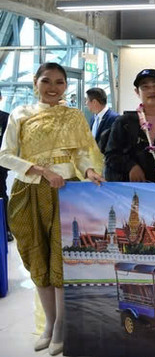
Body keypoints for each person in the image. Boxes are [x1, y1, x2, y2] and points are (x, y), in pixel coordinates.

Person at [0, 62, 105, 355]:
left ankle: (61, 326)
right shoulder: (20, 114)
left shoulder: (73, 116)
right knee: (37, 257)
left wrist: (89, 172)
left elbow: (82, 154)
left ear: (66, 87)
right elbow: (5, 156)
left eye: (60, 82)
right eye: (47, 80)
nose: (53, 87)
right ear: (35, 82)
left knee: (61, 259)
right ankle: (49, 323)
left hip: (66, 192)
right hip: (28, 191)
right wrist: (40, 170)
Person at [104, 69, 155, 183]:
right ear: (137, 92)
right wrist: (131, 166)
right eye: (145, 87)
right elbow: (111, 155)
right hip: (134, 191)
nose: (151, 90)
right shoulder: (124, 122)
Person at [85, 87, 118, 153]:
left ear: (94, 102)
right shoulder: (93, 118)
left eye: (87, 100)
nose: (86, 103)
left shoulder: (115, 119)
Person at [0, 91, 10, 242]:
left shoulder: (5, 118)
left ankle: (6, 228)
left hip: (0, 165)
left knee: (2, 193)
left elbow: (9, 144)